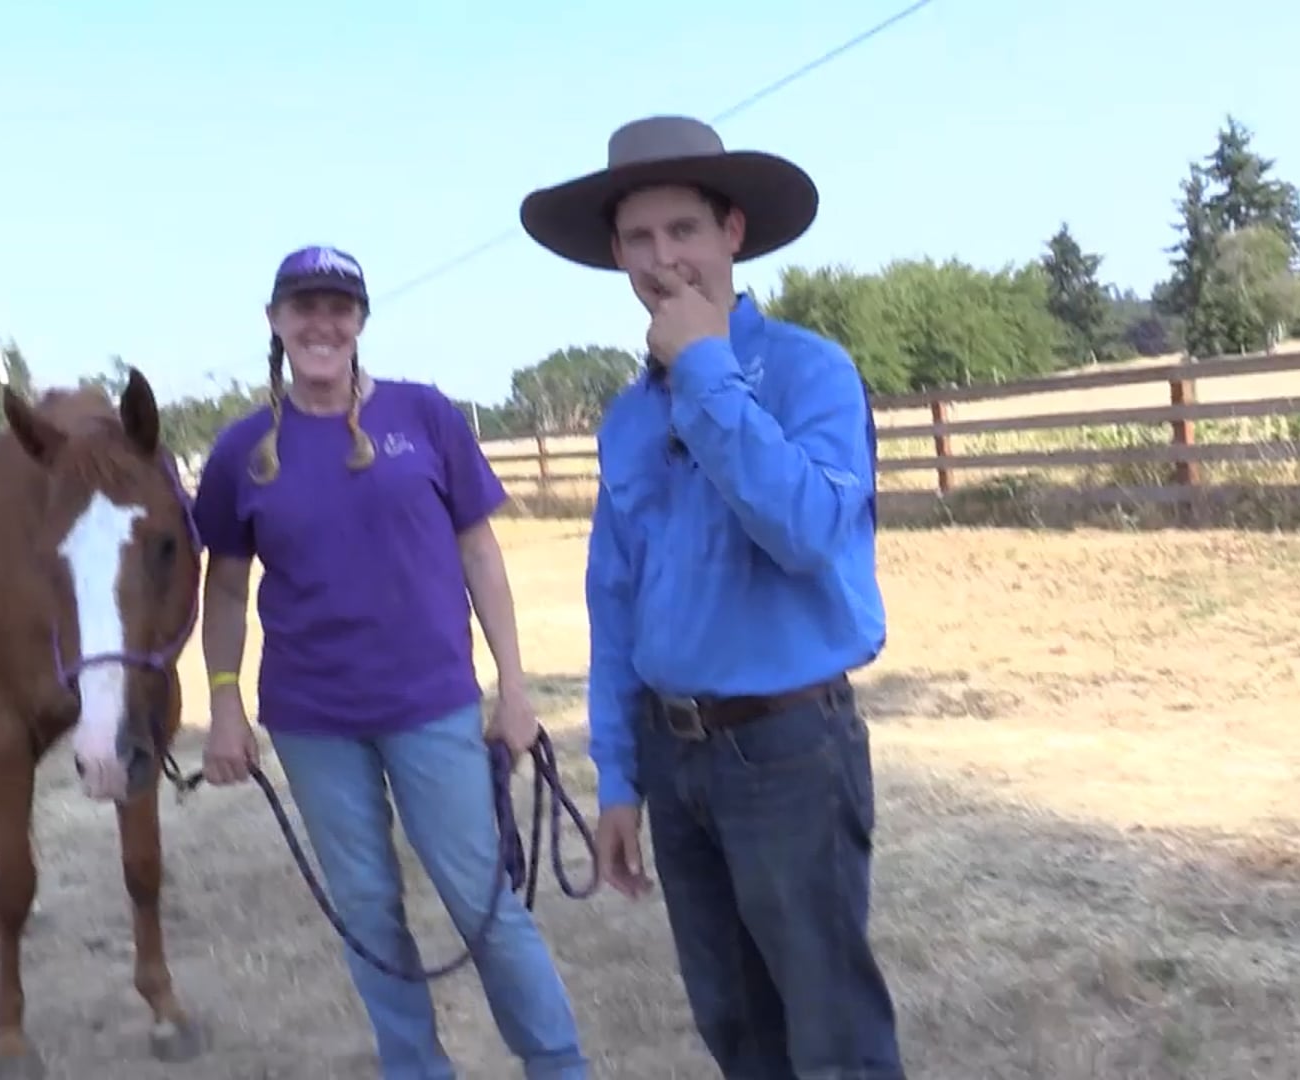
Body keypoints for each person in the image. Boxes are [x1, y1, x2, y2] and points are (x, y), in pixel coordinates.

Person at [518, 116, 905, 1077]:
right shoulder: (626, 418)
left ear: (732, 230)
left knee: (830, 1029)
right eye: (640, 240)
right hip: (674, 752)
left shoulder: (811, 372)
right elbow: (614, 601)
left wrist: (704, 367)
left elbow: (808, 532)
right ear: (616, 255)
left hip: (788, 748)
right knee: (735, 1025)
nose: (664, 260)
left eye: (683, 230)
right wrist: (617, 775)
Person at [189, 243, 589, 1079]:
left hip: (433, 705)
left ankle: (558, 1065)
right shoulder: (241, 453)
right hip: (312, 721)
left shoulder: (425, 416)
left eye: (339, 307)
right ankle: (415, 1068)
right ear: (276, 322)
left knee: (481, 901)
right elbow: (224, 590)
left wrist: (513, 690)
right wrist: (223, 700)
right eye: (304, 307)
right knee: (368, 913)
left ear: (361, 322)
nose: (322, 322)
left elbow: (481, 554)